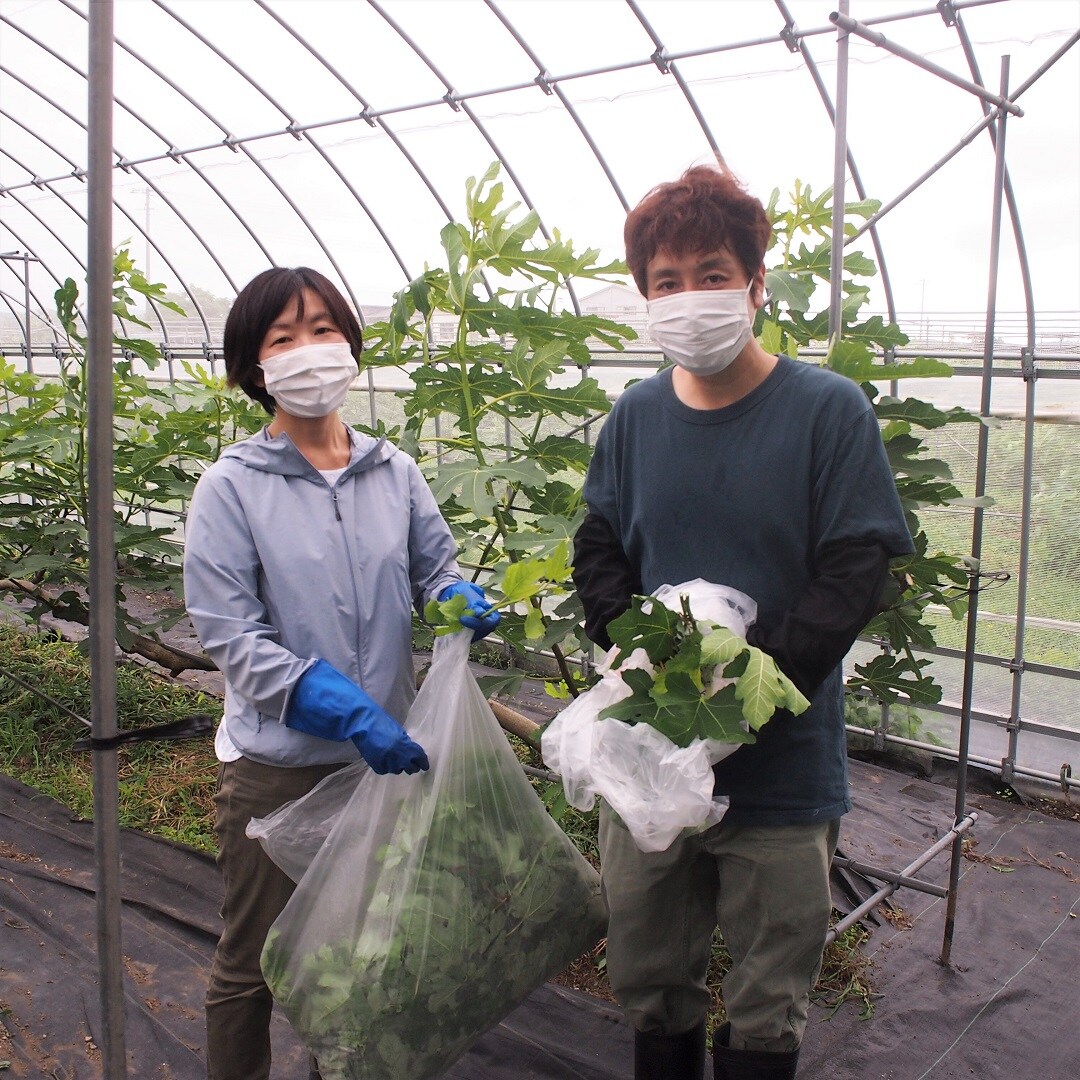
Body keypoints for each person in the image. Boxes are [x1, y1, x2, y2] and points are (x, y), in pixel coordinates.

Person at [571, 166, 914, 1080]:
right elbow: (598, 546)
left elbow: (856, 568)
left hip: (783, 768)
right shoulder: (636, 417)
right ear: (646, 297)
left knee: (769, 1000)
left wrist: (745, 682)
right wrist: (645, 651)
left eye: (713, 274)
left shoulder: (826, 411)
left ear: (756, 284)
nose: (691, 299)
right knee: (648, 974)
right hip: (649, 753)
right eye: (667, 283)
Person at [182, 266, 499, 1080]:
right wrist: (334, 704)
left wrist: (456, 597)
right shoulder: (231, 489)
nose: (309, 351)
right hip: (277, 770)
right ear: (255, 369)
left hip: (379, 766)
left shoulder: (393, 473)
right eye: (282, 338)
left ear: (350, 345)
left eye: (323, 329)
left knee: (364, 955)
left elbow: (435, 572)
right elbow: (231, 635)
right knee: (254, 961)